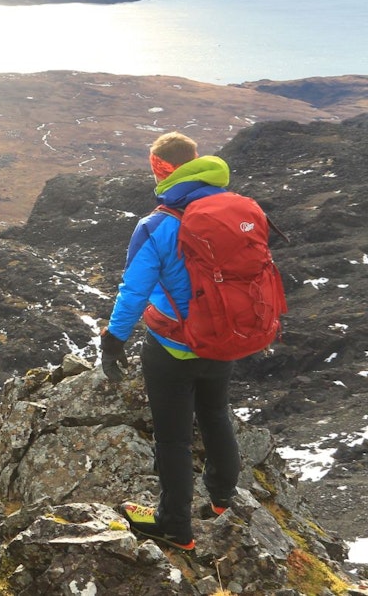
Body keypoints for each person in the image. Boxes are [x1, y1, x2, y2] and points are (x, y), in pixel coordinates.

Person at [99, 131, 239, 551]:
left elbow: (134, 291)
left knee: (174, 438)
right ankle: (221, 497)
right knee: (216, 414)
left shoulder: (157, 224)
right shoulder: (233, 211)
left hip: (173, 346)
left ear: (162, 169)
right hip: (223, 339)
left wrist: (113, 339)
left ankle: (175, 527)